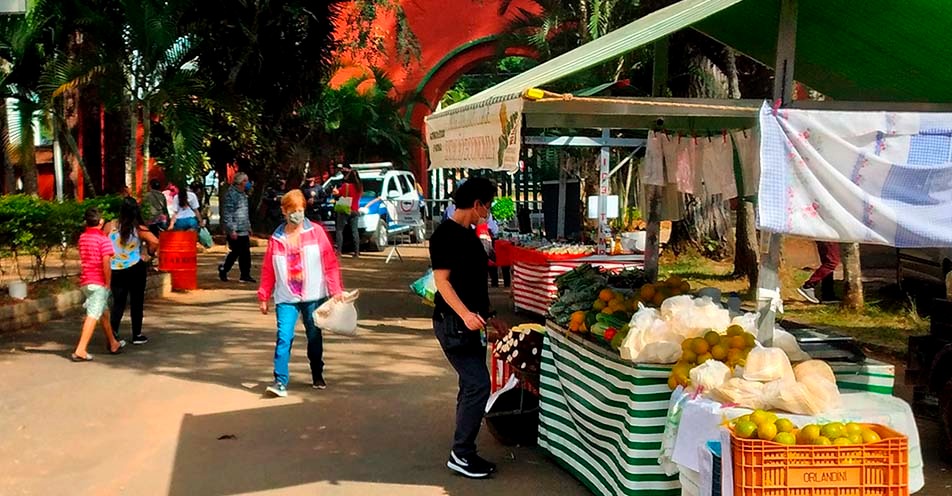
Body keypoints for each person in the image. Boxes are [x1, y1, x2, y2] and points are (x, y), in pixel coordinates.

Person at [428, 177, 509, 479]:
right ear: (476, 204)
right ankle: (461, 453)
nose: (488, 211)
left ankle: (463, 450)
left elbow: (473, 284)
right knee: (478, 384)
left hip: (471, 322)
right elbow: (442, 282)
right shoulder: (445, 236)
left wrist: (490, 316)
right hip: (453, 324)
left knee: (470, 385)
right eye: (487, 205)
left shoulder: (470, 234)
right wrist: (464, 314)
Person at [257, 190, 345, 397]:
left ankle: (317, 373)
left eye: (300, 210)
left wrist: (336, 290)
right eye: (293, 211)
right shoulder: (276, 238)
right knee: (284, 337)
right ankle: (280, 381)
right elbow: (268, 269)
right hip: (286, 297)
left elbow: (330, 263)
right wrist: (264, 296)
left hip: (313, 295)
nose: (297, 214)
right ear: (284, 211)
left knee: (314, 336)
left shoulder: (316, 232)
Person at [72, 207, 126, 361]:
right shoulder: (104, 240)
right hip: (98, 282)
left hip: (86, 280)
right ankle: (81, 349)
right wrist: (108, 283)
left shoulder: (83, 237)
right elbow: (106, 263)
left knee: (103, 313)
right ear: (101, 222)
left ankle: (113, 342)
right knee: (93, 315)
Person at [109, 197, 160, 345]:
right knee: (137, 301)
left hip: (116, 268)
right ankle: (136, 334)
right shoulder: (139, 228)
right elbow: (155, 241)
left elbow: (104, 241)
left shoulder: (111, 225)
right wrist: (149, 254)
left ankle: (113, 334)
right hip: (135, 267)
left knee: (118, 302)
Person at [219, 172, 255, 283]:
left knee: (245, 253)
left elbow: (244, 212)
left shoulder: (243, 194)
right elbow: (227, 213)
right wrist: (231, 229)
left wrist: (248, 226)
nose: (247, 183)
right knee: (235, 252)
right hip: (235, 229)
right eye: (245, 181)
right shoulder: (231, 195)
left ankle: (245, 274)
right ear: (240, 182)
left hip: (243, 228)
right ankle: (224, 269)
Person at [334, 164, 363, 257]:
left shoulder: (346, 186)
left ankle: (338, 251)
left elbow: (339, 195)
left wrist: (335, 192)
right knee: (355, 231)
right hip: (355, 210)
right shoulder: (359, 187)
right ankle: (357, 252)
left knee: (339, 230)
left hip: (345, 209)